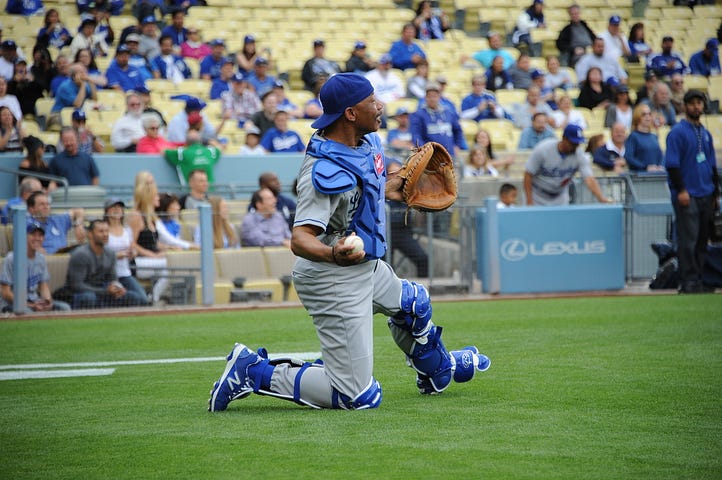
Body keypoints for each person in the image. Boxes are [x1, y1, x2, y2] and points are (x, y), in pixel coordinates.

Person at [207, 72, 489, 412]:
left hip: (365, 267)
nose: (381, 106)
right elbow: (300, 239)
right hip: (331, 278)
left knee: (414, 304)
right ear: (351, 114)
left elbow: (364, 189)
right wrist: (333, 253)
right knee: (355, 396)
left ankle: (438, 369)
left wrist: (392, 187)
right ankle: (253, 371)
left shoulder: (366, 142)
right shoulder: (321, 170)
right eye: (372, 101)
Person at [666, 90, 720, 294]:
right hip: (688, 193)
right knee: (688, 239)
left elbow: (712, 164)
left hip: (706, 191)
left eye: (700, 103)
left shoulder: (705, 133)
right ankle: (688, 280)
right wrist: (681, 190)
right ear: (685, 106)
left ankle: (700, 278)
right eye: (693, 103)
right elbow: (672, 164)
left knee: (701, 240)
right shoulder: (678, 132)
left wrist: (715, 193)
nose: (697, 107)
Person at [62, 218, 147, 309]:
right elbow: (76, 285)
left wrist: (117, 289)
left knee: (134, 297)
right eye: (101, 232)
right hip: (82, 294)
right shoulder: (80, 254)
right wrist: (105, 291)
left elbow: (113, 279)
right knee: (89, 298)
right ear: (90, 234)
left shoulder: (110, 253)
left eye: (107, 231)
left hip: (103, 292)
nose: (105, 234)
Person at [524, 124, 611, 206]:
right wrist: (529, 200)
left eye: (577, 143)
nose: (575, 146)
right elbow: (528, 174)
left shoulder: (579, 154)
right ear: (564, 138)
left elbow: (589, 179)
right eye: (572, 143)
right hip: (538, 195)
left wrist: (601, 198)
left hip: (559, 196)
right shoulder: (544, 149)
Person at [0, 221, 72, 313]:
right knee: (29, 312)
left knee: (65, 308)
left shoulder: (41, 258)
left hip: (34, 301)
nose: (37, 238)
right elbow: (6, 293)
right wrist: (31, 305)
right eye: (33, 235)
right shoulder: (11, 258)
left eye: (40, 235)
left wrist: (48, 301)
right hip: (11, 304)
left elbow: (43, 286)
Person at [126, 170, 168, 304]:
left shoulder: (151, 216)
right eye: (148, 183)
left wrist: (170, 248)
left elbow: (153, 242)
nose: (152, 187)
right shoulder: (136, 215)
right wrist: (151, 255)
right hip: (138, 262)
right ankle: (153, 299)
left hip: (150, 260)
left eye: (152, 182)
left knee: (172, 261)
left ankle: (153, 297)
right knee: (170, 265)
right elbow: (131, 243)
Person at [386, 161, 429, 278]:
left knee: (423, 259)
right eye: (392, 173)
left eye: (399, 173)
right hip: (384, 233)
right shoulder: (380, 190)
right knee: (384, 267)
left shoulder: (408, 189)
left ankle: (421, 291)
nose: (396, 177)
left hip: (402, 232)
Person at [104, 198, 150, 305]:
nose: (117, 210)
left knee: (142, 299)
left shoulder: (127, 230)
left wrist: (133, 253)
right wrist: (116, 255)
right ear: (107, 211)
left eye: (119, 207)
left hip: (125, 273)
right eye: (113, 207)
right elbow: (99, 254)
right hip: (108, 275)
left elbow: (132, 248)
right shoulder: (103, 230)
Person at [410, 82, 467, 158]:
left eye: (434, 96)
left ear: (439, 97)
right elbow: (416, 136)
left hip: (449, 155)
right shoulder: (418, 115)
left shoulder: (449, 112)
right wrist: (424, 151)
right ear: (425, 97)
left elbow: (458, 130)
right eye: (429, 96)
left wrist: (457, 146)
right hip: (430, 157)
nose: (432, 99)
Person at [624, 104, 664, 173]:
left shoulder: (654, 136)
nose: (647, 117)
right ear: (637, 117)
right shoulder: (633, 136)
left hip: (656, 175)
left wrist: (660, 166)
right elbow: (629, 157)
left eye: (649, 114)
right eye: (644, 114)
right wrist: (645, 167)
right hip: (640, 177)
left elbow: (660, 155)